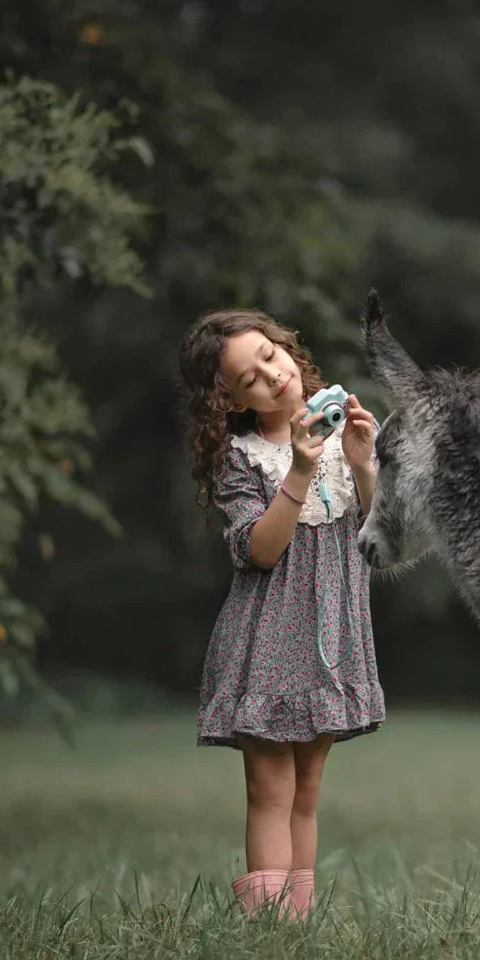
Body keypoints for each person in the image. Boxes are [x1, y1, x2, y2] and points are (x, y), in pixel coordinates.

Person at [179, 308, 385, 920]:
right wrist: (298, 467)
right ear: (232, 402)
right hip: (267, 641)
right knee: (271, 791)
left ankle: (293, 926)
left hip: (330, 637)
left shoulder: (340, 431)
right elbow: (261, 551)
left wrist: (362, 462)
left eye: (269, 355)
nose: (271, 376)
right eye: (248, 379)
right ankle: (268, 926)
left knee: (307, 794)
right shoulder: (242, 458)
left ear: (286, 348)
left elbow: (375, 532)